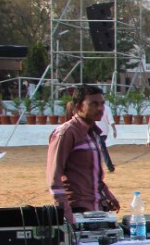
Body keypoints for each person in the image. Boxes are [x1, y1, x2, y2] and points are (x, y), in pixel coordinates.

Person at [46, 85, 120, 223]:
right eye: (94, 104)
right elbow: (54, 178)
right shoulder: (66, 133)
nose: (100, 108)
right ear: (79, 106)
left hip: (97, 207)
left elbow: (94, 176)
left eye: (102, 104)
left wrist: (108, 195)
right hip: (77, 209)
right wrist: (66, 214)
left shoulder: (93, 133)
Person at [96, 98, 117, 173]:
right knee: (101, 148)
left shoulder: (101, 108)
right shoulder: (106, 108)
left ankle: (109, 166)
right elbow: (111, 120)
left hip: (99, 131)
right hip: (103, 131)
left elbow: (111, 120)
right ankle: (108, 166)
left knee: (101, 148)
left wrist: (114, 130)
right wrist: (114, 130)